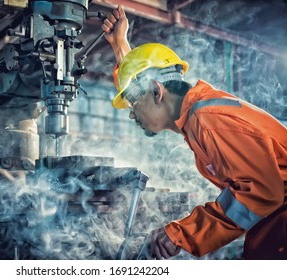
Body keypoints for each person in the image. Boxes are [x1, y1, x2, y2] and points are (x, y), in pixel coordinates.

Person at [102, 5, 287, 259]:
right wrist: (120, 45)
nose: (132, 113)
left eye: (133, 104)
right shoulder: (196, 116)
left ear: (157, 91)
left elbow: (263, 192)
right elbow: (138, 79)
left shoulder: (208, 120)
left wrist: (181, 234)